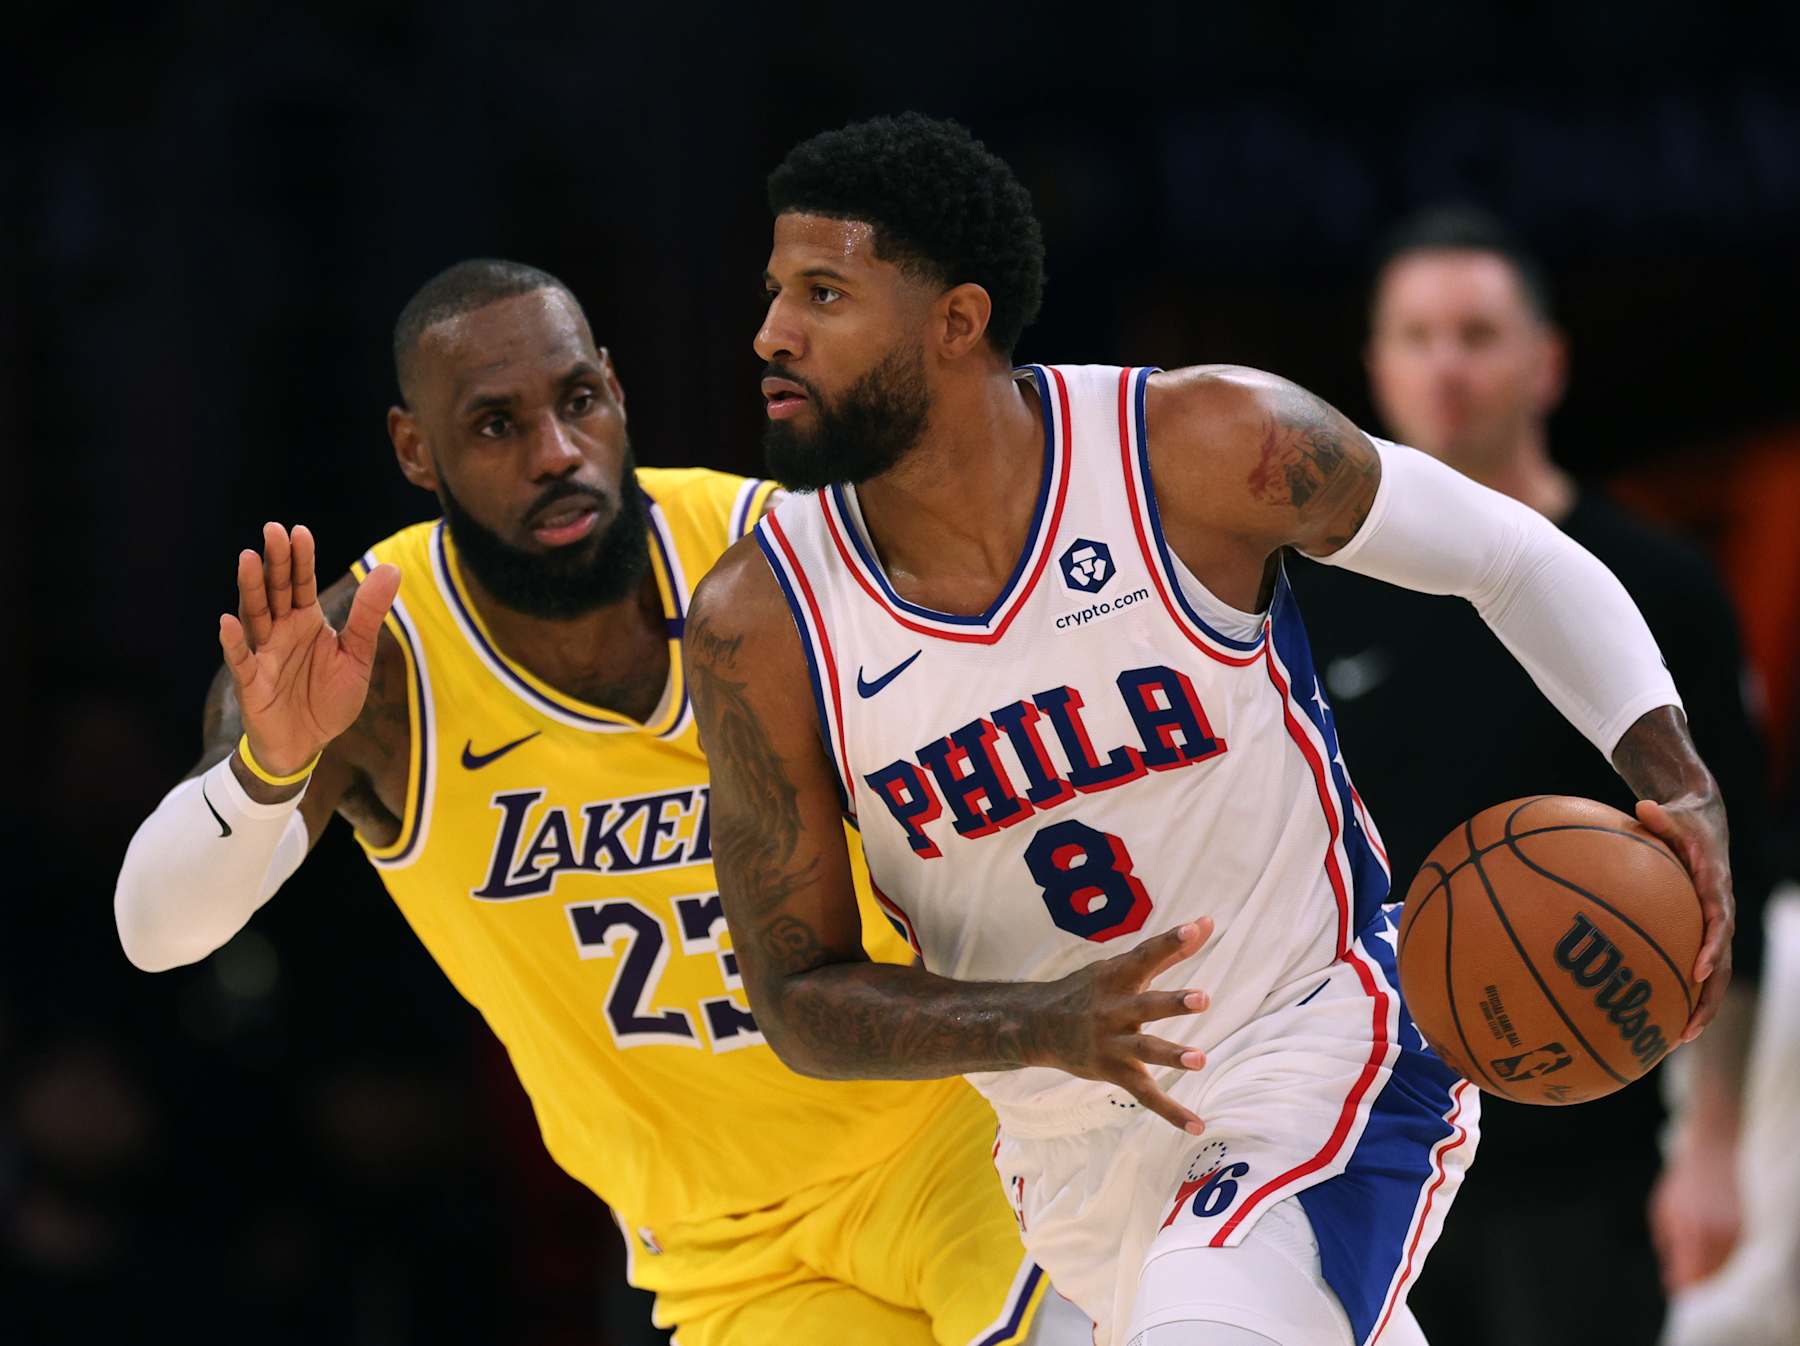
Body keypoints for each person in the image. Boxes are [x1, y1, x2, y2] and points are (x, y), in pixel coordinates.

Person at [684, 114, 1736, 1346]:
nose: (771, 333)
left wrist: (1678, 779)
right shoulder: (759, 619)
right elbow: (798, 999)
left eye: (823, 293)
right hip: (1066, 1151)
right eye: (773, 293)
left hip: (1314, 1044)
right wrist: (1033, 1025)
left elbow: (1510, 555)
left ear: (955, 321)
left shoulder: (1194, 446)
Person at [112, 259, 1085, 1346]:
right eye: (494, 425)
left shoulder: (780, 554)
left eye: (576, 400)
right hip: (722, 1245)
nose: (556, 454)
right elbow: (158, 932)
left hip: (958, 1137)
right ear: (413, 451)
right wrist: (267, 772)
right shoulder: (371, 666)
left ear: (617, 392)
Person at [1284, 207, 1772, 1346]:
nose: (1445, 365)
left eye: (1475, 333)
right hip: (1356, 1126)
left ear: (1544, 362)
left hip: (1578, 1132)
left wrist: (1712, 1148)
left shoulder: (1654, 583)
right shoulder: (1299, 593)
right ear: (1375, 369)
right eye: (1416, 335)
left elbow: (1741, 867)